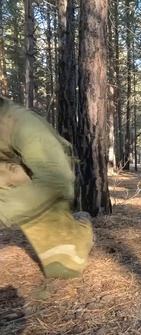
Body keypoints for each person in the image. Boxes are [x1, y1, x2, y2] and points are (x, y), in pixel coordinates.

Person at [0, 96, 93, 278]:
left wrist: (4, 212)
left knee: (64, 268)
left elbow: (57, 181)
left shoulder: (22, 123)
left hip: (42, 182)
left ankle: (81, 228)